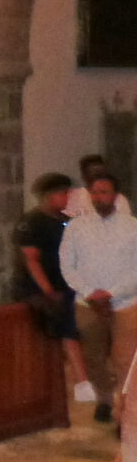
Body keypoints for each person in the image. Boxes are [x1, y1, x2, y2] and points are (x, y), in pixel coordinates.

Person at [59, 174, 137, 423]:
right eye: (95, 192)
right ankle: (105, 398)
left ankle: (125, 411)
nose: (99, 197)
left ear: (115, 195)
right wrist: (89, 292)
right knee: (93, 358)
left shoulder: (132, 226)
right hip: (88, 303)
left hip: (125, 303)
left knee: (125, 360)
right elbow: (67, 265)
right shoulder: (76, 228)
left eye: (105, 192)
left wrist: (112, 292)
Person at [15, 173, 94, 405]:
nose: (68, 197)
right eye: (63, 193)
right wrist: (48, 291)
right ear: (49, 196)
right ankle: (78, 382)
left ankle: (81, 381)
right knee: (58, 328)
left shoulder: (63, 220)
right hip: (37, 290)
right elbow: (32, 260)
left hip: (64, 286)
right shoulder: (32, 222)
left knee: (74, 328)